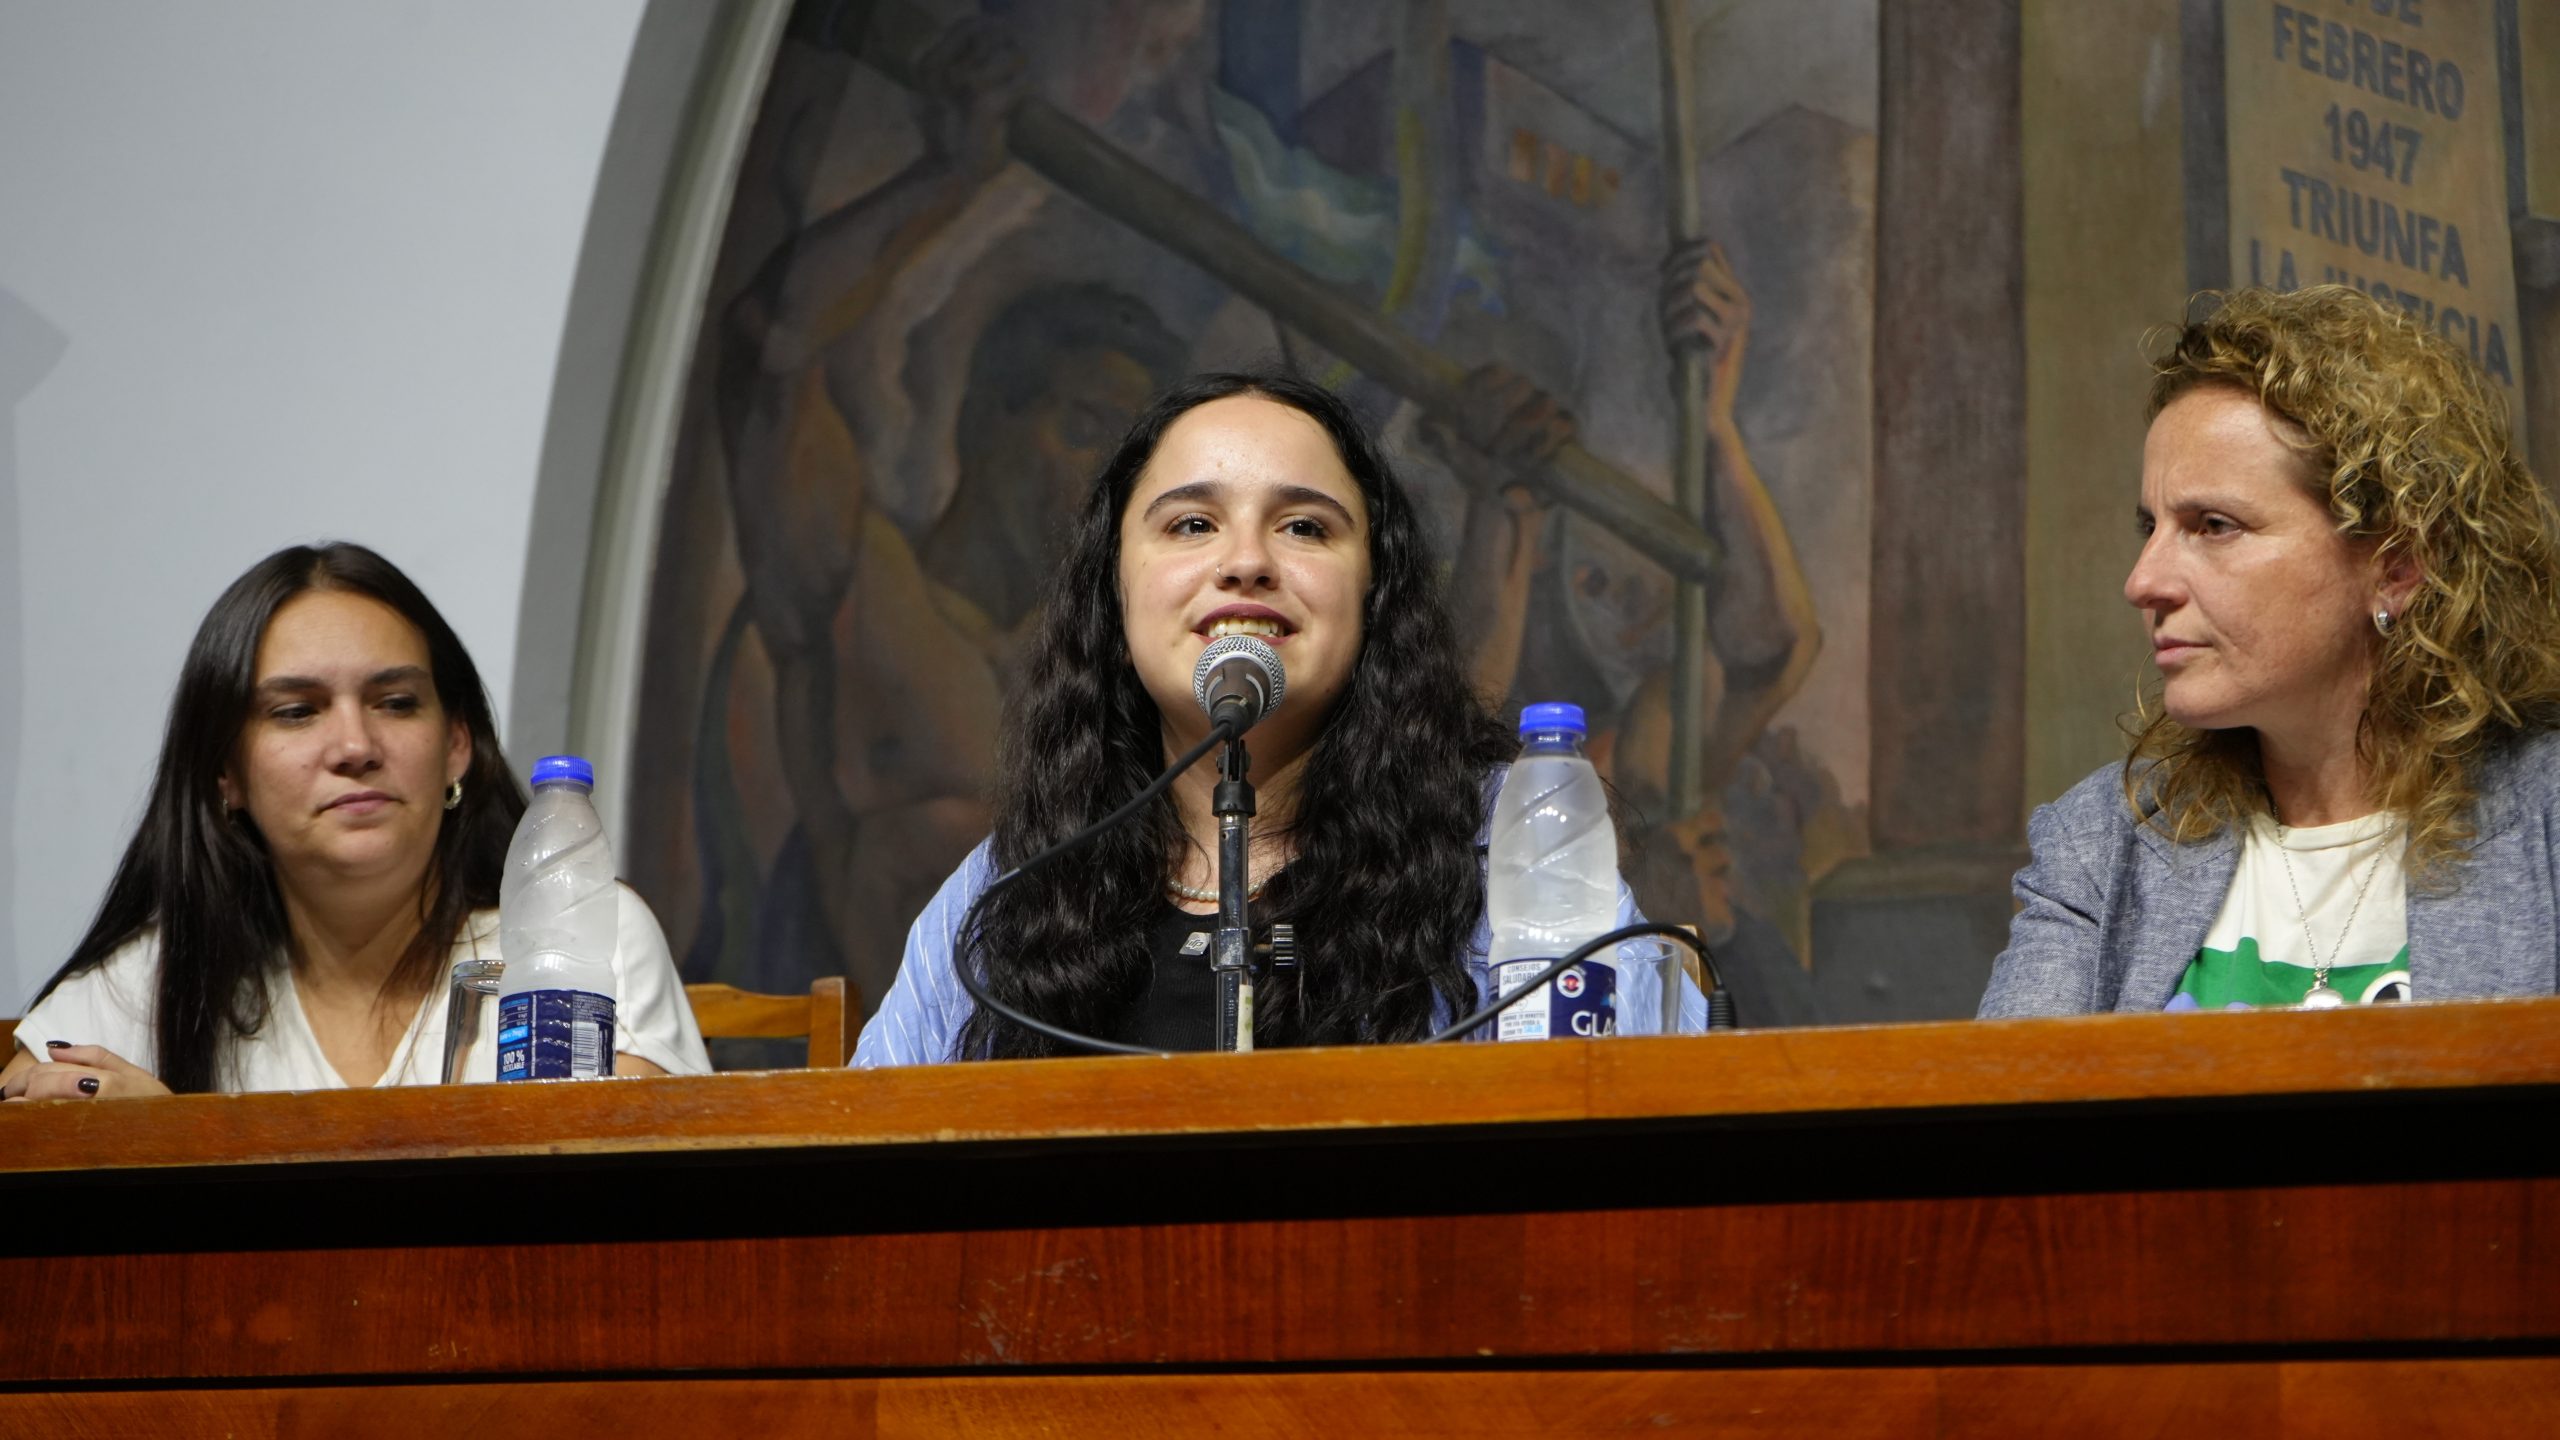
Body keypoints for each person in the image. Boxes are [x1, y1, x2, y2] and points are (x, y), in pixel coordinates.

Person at [854, 373, 1708, 1064]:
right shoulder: (1015, 884)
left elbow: (1654, 1111)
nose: (1246, 562)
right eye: (1192, 523)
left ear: (1373, 598)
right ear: (1115, 598)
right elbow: (865, 1154)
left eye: (1303, 526)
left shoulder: (1498, 839)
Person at [1981, 286, 2560, 1017]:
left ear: (2398, 566)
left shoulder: (2545, 824)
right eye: (2150, 527)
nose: (2143, 582)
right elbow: (2012, 1088)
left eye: (2213, 525)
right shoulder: (2104, 843)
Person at [2, 543, 709, 1098]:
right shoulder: (158, 977)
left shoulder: (582, 932)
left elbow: (643, 1201)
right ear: (226, 773)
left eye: (396, 703)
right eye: (297, 711)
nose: (355, 747)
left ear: (457, 745)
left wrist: (181, 1152)